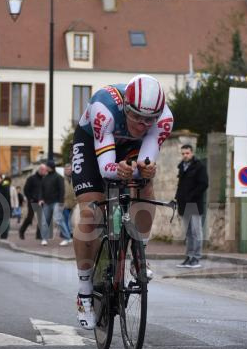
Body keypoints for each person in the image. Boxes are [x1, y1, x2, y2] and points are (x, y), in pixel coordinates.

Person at [70, 75, 173, 330]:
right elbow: (106, 169)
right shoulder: (103, 108)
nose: (142, 124)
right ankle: (84, 292)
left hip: (130, 148)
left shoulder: (163, 120)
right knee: (91, 212)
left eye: (149, 119)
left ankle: (140, 254)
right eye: (137, 116)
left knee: (145, 183)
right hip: (92, 144)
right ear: (126, 107)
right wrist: (121, 169)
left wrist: (143, 171)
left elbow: (145, 162)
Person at [174, 143, 208, 269]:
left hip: (194, 204)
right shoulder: (182, 167)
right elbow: (181, 185)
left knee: (196, 232)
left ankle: (196, 258)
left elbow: (204, 184)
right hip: (183, 204)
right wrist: (177, 198)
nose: (185, 155)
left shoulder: (199, 166)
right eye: (183, 153)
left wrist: (191, 196)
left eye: (187, 153)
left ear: (192, 153)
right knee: (188, 233)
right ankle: (188, 257)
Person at [38, 160, 65, 246]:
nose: (46, 168)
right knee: (44, 222)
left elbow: (62, 190)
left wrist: (61, 202)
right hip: (46, 202)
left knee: (58, 220)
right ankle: (44, 239)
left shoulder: (58, 177)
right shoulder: (45, 178)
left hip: (56, 202)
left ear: (51, 167)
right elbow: (41, 190)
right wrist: (41, 199)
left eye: (47, 166)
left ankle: (67, 237)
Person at [19, 164, 46, 241]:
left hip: (41, 201)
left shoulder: (45, 179)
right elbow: (26, 189)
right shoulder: (31, 178)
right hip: (32, 201)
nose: (45, 172)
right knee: (30, 217)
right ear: (40, 170)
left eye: (45, 170)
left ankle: (39, 235)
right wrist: (30, 198)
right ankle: (21, 231)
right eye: (44, 170)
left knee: (41, 218)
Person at [59, 162, 76, 246]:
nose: (68, 171)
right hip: (65, 203)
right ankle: (67, 236)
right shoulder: (61, 180)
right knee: (65, 220)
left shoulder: (75, 179)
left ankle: (71, 235)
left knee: (72, 220)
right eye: (66, 169)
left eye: (69, 169)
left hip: (75, 203)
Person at [0, 174, 12, 239]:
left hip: (4, 207)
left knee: (4, 222)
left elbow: (6, 197)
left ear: (1, 179)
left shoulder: (4, 186)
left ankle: (4, 236)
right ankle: (0, 236)